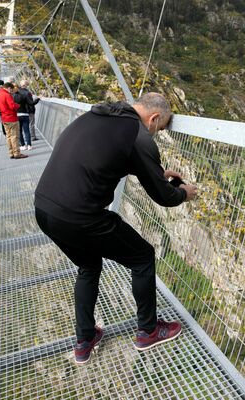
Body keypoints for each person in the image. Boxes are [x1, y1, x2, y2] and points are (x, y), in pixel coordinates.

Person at [34, 93, 197, 364]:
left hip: (45, 210)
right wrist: (184, 193)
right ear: (154, 118)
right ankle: (148, 330)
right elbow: (164, 197)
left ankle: (84, 340)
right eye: (161, 126)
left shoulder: (96, 116)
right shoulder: (138, 135)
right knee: (142, 256)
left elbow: (104, 156)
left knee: (88, 266)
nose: (158, 132)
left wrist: (156, 172)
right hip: (82, 217)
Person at [0, 82, 28, 160]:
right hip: (12, 118)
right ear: (9, 88)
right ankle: (17, 153)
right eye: (11, 90)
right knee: (14, 136)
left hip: (4, 119)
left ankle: (11, 153)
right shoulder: (7, 95)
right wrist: (18, 105)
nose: (12, 92)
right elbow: (12, 106)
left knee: (8, 136)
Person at [15, 80, 39, 151]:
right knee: (26, 130)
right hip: (25, 114)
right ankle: (29, 145)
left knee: (19, 131)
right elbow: (31, 103)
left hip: (17, 115)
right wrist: (38, 99)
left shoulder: (13, 96)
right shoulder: (26, 93)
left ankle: (22, 145)